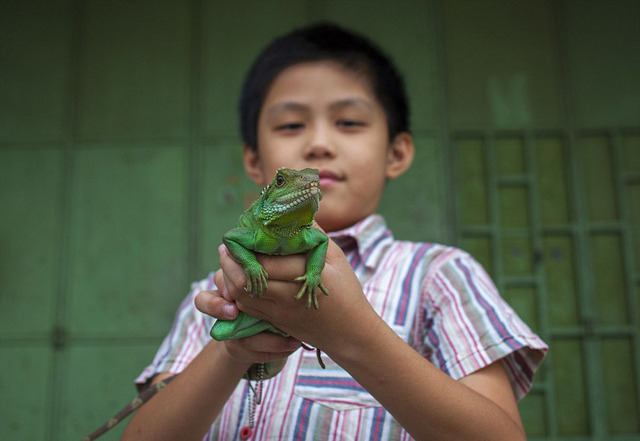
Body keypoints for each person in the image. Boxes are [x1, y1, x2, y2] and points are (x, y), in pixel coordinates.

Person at [122, 23, 547, 441]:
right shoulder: (216, 291)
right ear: (254, 162)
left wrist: (349, 334)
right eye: (291, 126)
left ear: (397, 152)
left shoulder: (440, 275)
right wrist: (230, 350)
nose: (320, 144)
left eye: (348, 122)